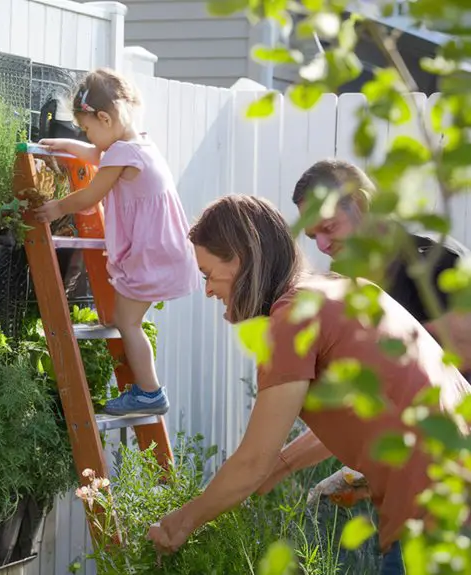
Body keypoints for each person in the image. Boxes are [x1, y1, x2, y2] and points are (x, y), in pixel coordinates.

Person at [145, 194, 471, 575]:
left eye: (208, 274)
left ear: (240, 258)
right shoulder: (343, 290)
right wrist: (282, 467)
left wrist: (179, 524)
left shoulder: (293, 319)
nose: (208, 290)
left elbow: (252, 461)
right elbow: (378, 406)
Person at [258, 158, 470, 506]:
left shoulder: (435, 262)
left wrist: (278, 465)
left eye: (329, 227)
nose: (323, 246)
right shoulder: (359, 285)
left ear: (359, 204)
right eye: (313, 237)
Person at [33, 68, 200, 417]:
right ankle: (147, 389)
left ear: (105, 118)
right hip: (162, 250)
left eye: (88, 129)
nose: (88, 137)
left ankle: (149, 392)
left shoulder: (122, 153)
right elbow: (100, 155)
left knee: (128, 323)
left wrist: (56, 208)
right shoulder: (138, 145)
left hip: (150, 254)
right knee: (124, 317)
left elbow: (91, 193)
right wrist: (68, 145)